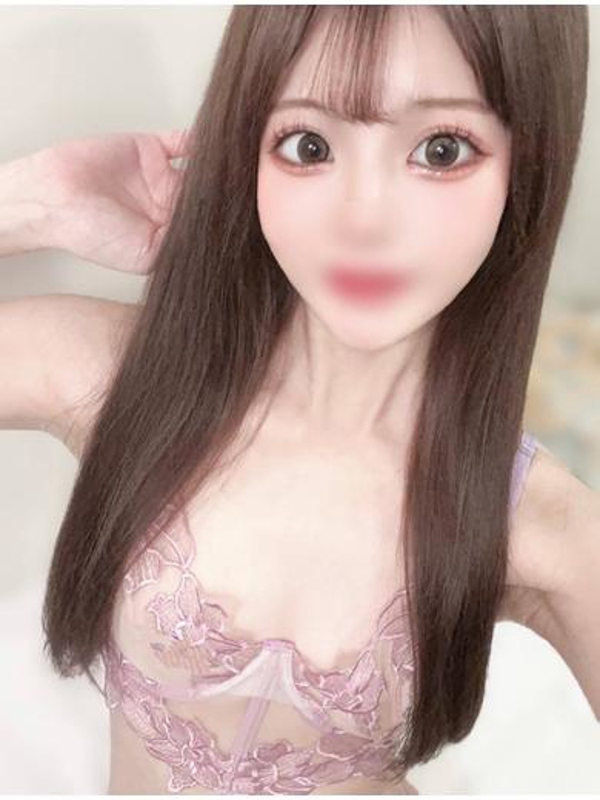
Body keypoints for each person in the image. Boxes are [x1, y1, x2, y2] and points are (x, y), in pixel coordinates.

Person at [1, 5, 598, 795]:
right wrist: (31, 203)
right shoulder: (118, 377)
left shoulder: (538, 523)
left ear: (528, 165)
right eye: (309, 145)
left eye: (441, 150)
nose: (363, 220)